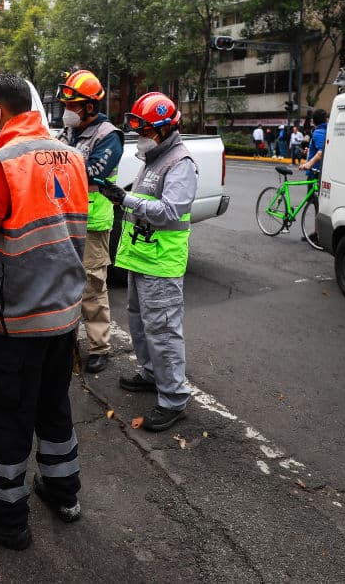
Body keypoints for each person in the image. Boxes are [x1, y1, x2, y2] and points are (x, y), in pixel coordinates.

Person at [0, 74, 88, 550]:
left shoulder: (4, 160)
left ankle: (8, 519)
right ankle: (63, 492)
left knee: (9, 416)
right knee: (54, 406)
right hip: (64, 311)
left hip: (19, 317)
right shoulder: (72, 155)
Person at [97, 92, 198, 433]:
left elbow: (171, 210)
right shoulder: (152, 158)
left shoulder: (180, 162)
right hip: (141, 257)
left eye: (146, 130)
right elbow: (145, 201)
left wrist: (126, 199)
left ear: (166, 129)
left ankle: (173, 400)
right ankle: (151, 373)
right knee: (140, 323)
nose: (140, 136)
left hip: (161, 262)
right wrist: (120, 196)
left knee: (164, 331)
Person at [55, 69, 124, 373]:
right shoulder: (69, 132)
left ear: (91, 106)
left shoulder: (108, 136)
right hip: (65, 218)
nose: (67, 111)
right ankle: (66, 336)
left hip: (93, 222)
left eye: (74, 105)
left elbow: (91, 170)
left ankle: (99, 346)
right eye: (67, 105)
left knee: (93, 287)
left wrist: (60, 160)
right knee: (65, 282)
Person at [299, 108, 327, 181]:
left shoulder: (318, 132)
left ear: (313, 121)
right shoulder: (324, 130)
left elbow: (322, 151)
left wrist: (309, 164)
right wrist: (310, 150)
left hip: (315, 172)